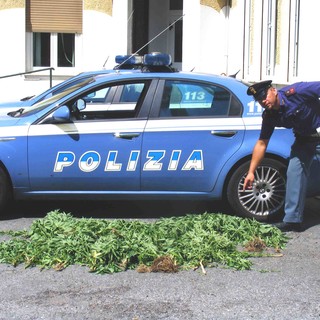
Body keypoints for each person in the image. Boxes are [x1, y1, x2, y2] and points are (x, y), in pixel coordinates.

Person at [244, 80, 320, 232]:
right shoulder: (269, 115)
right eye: (259, 100)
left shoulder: (297, 91)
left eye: (264, 96)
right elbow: (261, 143)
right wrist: (251, 172)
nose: (263, 101)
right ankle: (293, 220)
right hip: (305, 139)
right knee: (294, 172)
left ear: (273, 90)